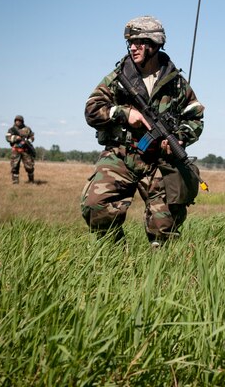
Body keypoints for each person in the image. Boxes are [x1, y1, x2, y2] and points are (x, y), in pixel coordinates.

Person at [81, 15, 205, 246]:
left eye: (139, 41)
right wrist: (124, 114)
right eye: (130, 42)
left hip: (159, 160)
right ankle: (116, 256)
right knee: (95, 206)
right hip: (121, 155)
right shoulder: (118, 78)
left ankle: (160, 272)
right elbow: (91, 109)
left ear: (154, 44)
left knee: (165, 226)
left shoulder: (176, 82)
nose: (133, 47)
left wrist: (179, 137)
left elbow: (195, 117)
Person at [5, 115, 35, 184]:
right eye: (16, 120)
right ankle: (15, 182)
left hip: (26, 150)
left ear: (22, 121)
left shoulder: (27, 129)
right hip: (16, 150)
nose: (18, 122)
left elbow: (32, 137)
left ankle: (31, 181)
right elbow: (7, 138)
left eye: (19, 120)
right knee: (14, 166)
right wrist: (16, 138)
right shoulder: (11, 129)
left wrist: (28, 141)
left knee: (29, 167)